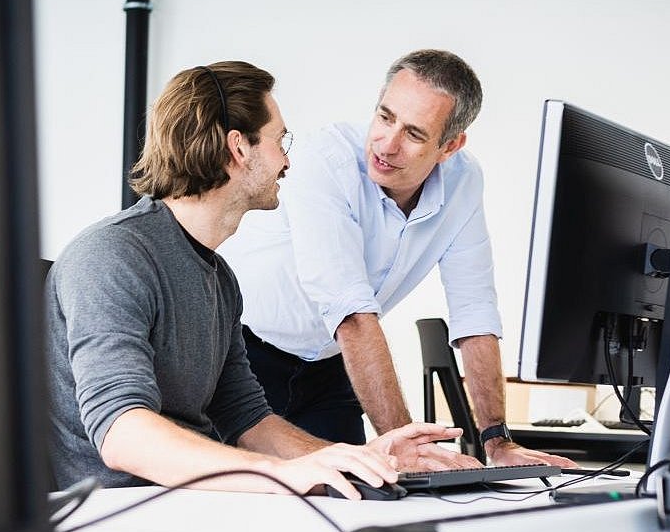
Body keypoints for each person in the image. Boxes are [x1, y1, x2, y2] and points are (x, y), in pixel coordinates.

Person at [44, 61, 468, 499]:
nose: (287, 159)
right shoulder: (112, 257)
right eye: (280, 140)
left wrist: (363, 461)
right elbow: (123, 434)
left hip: (189, 507)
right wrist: (279, 474)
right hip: (116, 518)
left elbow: (247, 419)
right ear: (239, 148)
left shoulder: (220, 279)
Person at [218, 49, 575, 469]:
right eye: (385, 117)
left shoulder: (463, 181)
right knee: (246, 498)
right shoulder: (324, 161)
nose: (387, 144)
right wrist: (410, 446)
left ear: (450, 146)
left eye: (415, 134)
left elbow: (475, 310)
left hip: (329, 368)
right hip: (244, 357)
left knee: (363, 492)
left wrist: (497, 439)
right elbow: (350, 312)